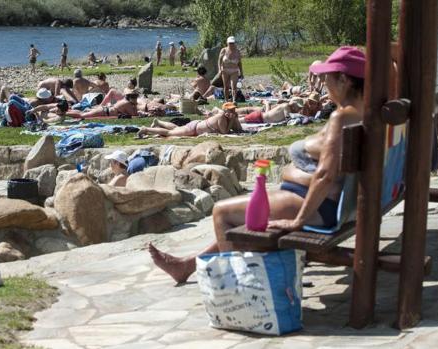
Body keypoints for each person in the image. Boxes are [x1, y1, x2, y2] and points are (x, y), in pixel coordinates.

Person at [148, 46, 366, 283]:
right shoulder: (364, 114)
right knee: (250, 215)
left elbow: (325, 175)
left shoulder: (342, 117)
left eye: (328, 77)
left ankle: (242, 292)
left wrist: (299, 221)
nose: (324, 83)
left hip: (319, 208)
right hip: (331, 203)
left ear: (344, 80)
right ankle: (186, 265)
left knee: (222, 212)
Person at [137, 102, 242, 138]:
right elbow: (224, 132)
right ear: (226, 111)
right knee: (170, 133)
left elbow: (239, 130)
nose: (233, 112)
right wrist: (232, 121)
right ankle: (145, 129)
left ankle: (158, 122)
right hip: (194, 129)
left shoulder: (227, 116)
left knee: (177, 128)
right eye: (231, 110)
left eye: (233, 110)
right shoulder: (221, 116)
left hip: (195, 126)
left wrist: (235, 119)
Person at [68, 88, 139, 119]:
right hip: (104, 111)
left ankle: (67, 111)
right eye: (135, 98)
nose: (136, 100)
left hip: (104, 110)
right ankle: (64, 112)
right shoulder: (127, 104)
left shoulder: (125, 100)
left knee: (82, 112)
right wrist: (135, 105)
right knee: (82, 115)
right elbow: (134, 115)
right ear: (131, 98)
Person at [218, 36, 243, 102]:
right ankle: (226, 100)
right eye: (230, 43)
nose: (231, 44)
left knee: (234, 87)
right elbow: (219, 60)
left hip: (234, 71)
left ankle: (234, 100)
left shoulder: (237, 51)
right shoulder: (223, 50)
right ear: (227, 43)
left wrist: (241, 73)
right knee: (226, 87)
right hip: (225, 70)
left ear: (234, 43)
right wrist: (219, 69)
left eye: (232, 43)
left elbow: (239, 63)